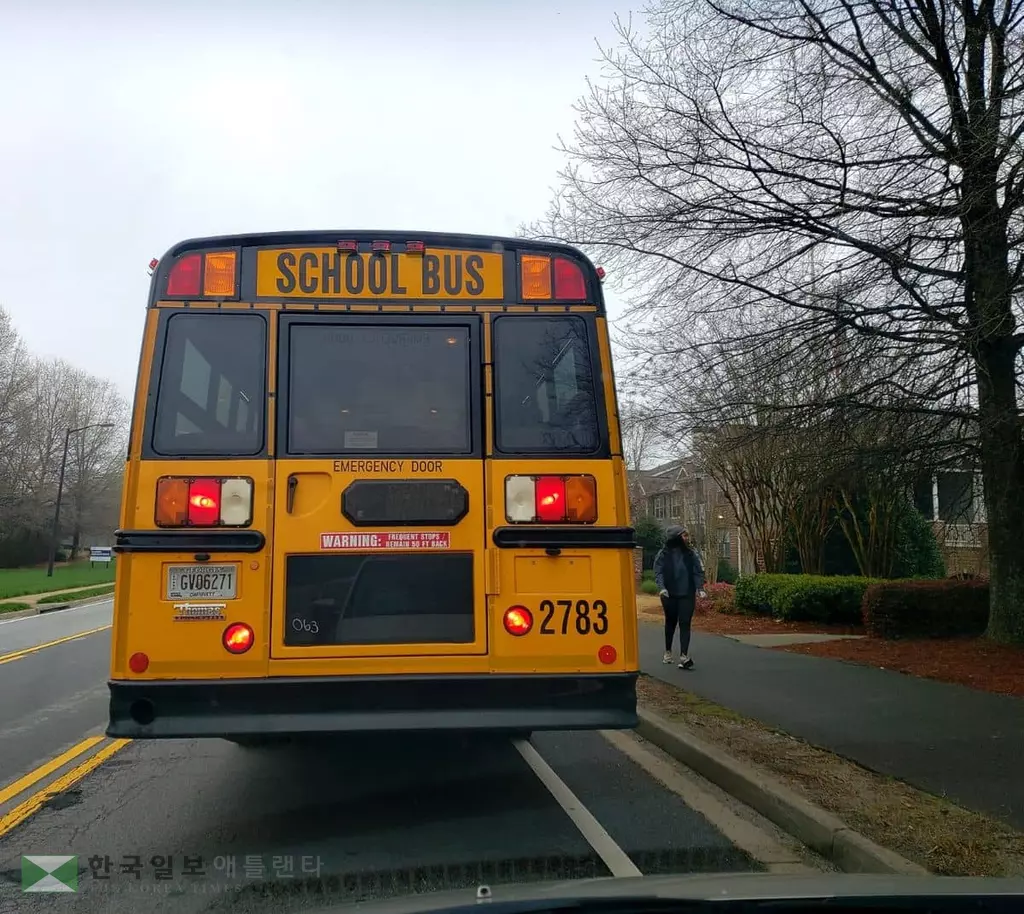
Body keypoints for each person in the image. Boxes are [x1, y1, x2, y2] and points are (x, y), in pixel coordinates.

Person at [653, 525, 705, 669]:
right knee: (670, 622)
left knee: (685, 623)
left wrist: (700, 588)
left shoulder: (691, 554)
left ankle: (684, 656)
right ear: (676, 538)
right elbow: (658, 572)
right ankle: (668, 652)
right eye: (684, 535)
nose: (687, 538)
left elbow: (697, 571)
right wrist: (662, 587)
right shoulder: (663, 554)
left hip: (687, 593)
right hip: (668, 594)